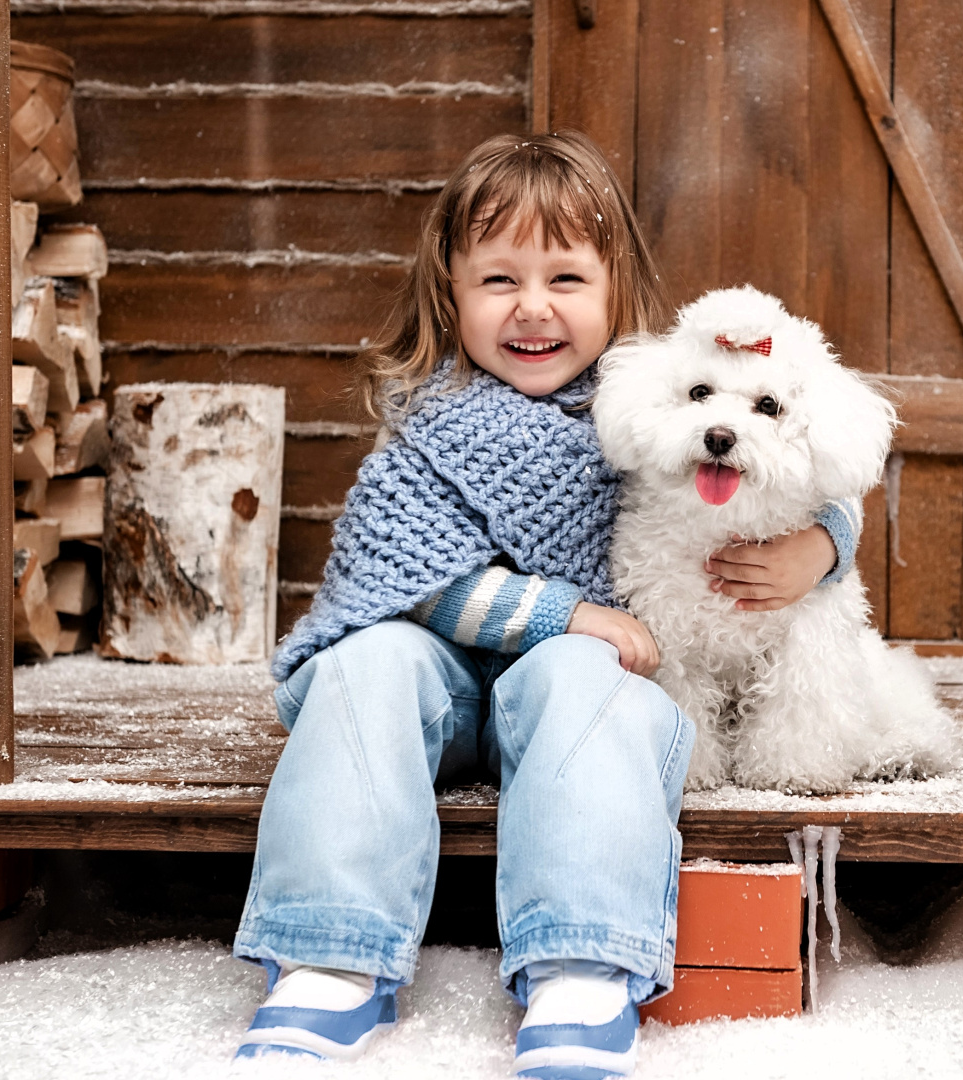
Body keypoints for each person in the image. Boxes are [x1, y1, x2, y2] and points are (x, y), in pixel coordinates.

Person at [230, 132, 859, 1079]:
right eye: (498, 280)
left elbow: (803, 473)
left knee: (587, 674)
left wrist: (825, 546)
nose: (532, 308)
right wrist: (562, 611)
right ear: (451, 289)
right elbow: (406, 577)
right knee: (363, 664)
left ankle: (581, 958)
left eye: (566, 278)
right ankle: (327, 952)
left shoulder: (659, 407)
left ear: (616, 291)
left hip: (570, 706)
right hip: (433, 684)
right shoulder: (429, 423)